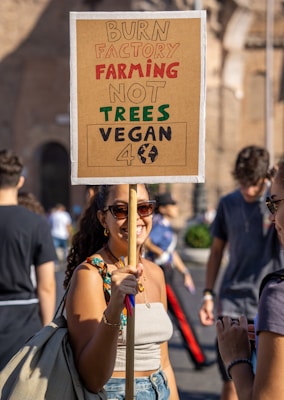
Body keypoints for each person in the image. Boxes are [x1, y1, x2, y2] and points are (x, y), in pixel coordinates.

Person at [64, 184, 179, 399]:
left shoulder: (156, 273)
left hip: (160, 389)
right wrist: (115, 307)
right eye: (120, 210)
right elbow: (92, 378)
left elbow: (164, 362)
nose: (135, 217)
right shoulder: (90, 275)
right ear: (102, 218)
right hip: (114, 393)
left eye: (143, 207)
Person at [199, 145, 284, 400]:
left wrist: (272, 201)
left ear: (265, 180)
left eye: (255, 185)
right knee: (233, 375)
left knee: (269, 377)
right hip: (233, 301)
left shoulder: (272, 205)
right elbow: (216, 252)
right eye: (243, 183)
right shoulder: (228, 204)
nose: (248, 190)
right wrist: (207, 294)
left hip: (266, 300)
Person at [0, 149, 57, 371]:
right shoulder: (36, 223)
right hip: (23, 318)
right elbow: (46, 285)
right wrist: (47, 330)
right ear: (20, 181)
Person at [145, 192, 209, 369]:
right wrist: (161, 253)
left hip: (167, 272)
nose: (176, 208)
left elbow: (172, 253)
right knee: (181, 316)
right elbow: (147, 242)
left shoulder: (165, 225)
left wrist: (185, 272)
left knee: (173, 317)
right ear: (164, 209)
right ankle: (198, 358)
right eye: (172, 205)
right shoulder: (158, 224)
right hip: (162, 275)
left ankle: (198, 357)